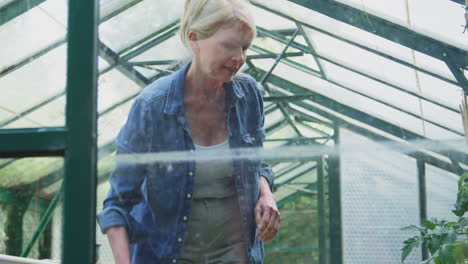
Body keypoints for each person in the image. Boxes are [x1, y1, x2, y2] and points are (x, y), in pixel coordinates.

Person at [97, 0, 280, 263]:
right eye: (229, 45)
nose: (239, 58)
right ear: (194, 39)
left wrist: (265, 194)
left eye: (245, 47)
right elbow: (117, 204)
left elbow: (256, 164)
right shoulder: (152, 107)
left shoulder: (249, 95)